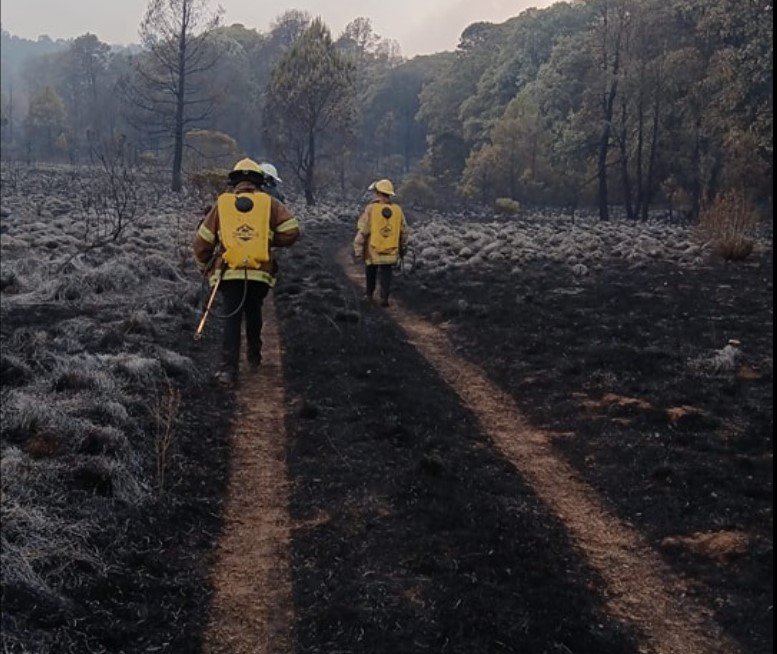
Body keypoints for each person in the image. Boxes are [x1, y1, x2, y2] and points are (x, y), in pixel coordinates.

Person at [192, 158, 300, 385]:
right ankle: (254, 355)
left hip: (229, 272)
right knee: (253, 312)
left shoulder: (221, 205)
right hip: (259, 273)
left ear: (235, 181)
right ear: (258, 181)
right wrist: (267, 242)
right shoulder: (270, 203)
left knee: (232, 319)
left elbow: (202, 242)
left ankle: (227, 370)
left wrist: (204, 267)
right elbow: (292, 230)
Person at [352, 178, 408, 307]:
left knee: (370, 271)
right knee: (386, 272)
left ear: (378, 192)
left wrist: (358, 248)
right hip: (391, 250)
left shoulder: (371, 209)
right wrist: (403, 247)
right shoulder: (398, 210)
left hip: (373, 250)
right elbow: (404, 230)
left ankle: (369, 296)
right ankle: (385, 297)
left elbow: (363, 229)